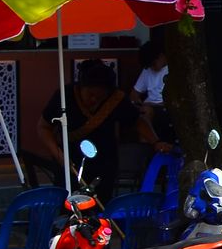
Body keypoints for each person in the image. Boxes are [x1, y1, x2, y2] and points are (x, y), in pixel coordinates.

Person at [36, 61, 158, 191]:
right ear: (81, 87)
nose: (94, 100)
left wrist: (156, 142)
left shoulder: (115, 99)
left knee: (101, 203)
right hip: (69, 161)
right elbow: (43, 127)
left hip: (104, 162)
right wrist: (58, 154)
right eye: (90, 94)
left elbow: (137, 121)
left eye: (100, 97)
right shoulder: (65, 96)